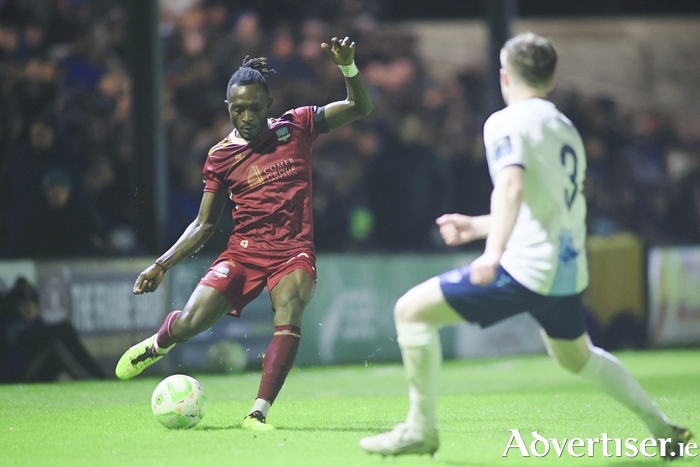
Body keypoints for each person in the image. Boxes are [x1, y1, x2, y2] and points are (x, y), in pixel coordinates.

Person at [359, 32, 691, 458]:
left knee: (410, 311)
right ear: (551, 80)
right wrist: (478, 226)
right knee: (577, 358)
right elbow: (543, 205)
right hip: (568, 270)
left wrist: (492, 253)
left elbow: (512, 187)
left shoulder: (505, 121)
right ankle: (661, 429)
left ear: (504, 76)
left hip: (527, 269)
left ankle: (419, 429)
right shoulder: (565, 128)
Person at [115, 36, 373, 430]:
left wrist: (348, 68)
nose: (247, 117)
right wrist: (160, 265)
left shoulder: (298, 125)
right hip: (243, 252)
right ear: (228, 108)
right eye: (238, 110)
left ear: (269, 105)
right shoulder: (220, 156)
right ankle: (159, 342)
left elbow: (360, 107)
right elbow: (204, 224)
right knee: (190, 324)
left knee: (289, 309)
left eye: (254, 108)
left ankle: (258, 412)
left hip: (292, 251)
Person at [0, 277, 106, 383]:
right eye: (23, 304)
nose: (29, 307)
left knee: (61, 338)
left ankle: (100, 377)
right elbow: (25, 340)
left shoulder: (37, 323)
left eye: (32, 303)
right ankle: (94, 380)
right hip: (18, 378)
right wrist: (61, 330)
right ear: (15, 307)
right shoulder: (12, 326)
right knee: (57, 345)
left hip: (32, 373)